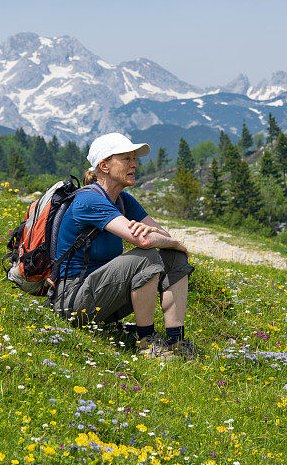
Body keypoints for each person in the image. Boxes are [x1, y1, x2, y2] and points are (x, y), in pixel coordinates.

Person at [51, 132, 197, 360]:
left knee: (173, 256)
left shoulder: (124, 201)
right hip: (72, 301)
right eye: (126, 159)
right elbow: (146, 241)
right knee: (146, 256)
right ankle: (147, 343)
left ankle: (177, 342)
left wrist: (169, 243)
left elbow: (162, 237)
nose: (134, 165)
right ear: (104, 166)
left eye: (134, 159)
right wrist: (172, 241)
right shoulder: (88, 200)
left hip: (101, 297)